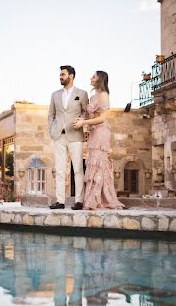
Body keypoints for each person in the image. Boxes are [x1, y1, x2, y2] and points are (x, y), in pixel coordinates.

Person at [73, 71, 124, 210]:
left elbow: (102, 118)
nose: (91, 78)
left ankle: (100, 199)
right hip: (94, 132)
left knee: (99, 164)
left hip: (101, 132)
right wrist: (81, 119)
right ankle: (93, 198)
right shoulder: (93, 96)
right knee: (93, 165)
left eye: (94, 76)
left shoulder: (103, 96)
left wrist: (84, 122)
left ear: (99, 79)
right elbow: (88, 115)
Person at [48, 65, 89, 210]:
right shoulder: (55, 94)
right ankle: (60, 201)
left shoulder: (82, 94)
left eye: (63, 74)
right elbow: (51, 115)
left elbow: (86, 112)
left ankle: (79, 201)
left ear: (71, 76)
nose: (60, 77)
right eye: (60, 74)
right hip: (58, 136)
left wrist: (81, 121)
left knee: (77, 169)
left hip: (75, 136)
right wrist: (51, 131)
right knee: (60, 169)